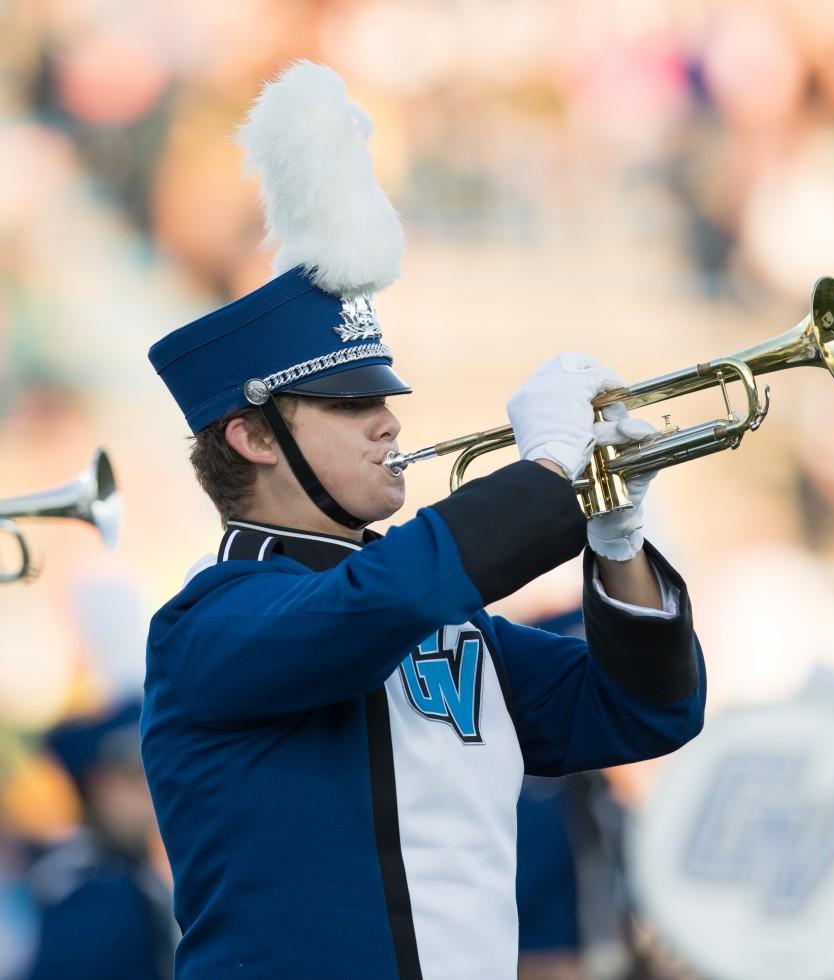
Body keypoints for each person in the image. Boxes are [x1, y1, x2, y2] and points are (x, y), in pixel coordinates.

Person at [142, 61, 706, 980]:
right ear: (250, 436)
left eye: (385, 397)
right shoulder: (209, 628)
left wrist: (616, 537)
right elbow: (373, 604)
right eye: (347, 405)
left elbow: (646, 711)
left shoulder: (441, 616)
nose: (389, 421)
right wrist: (547, 473)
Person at [24, 700, 175, 980]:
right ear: (102, 786)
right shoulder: (96, 891)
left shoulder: (119, 874)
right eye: (140, 774)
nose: (155, 789)